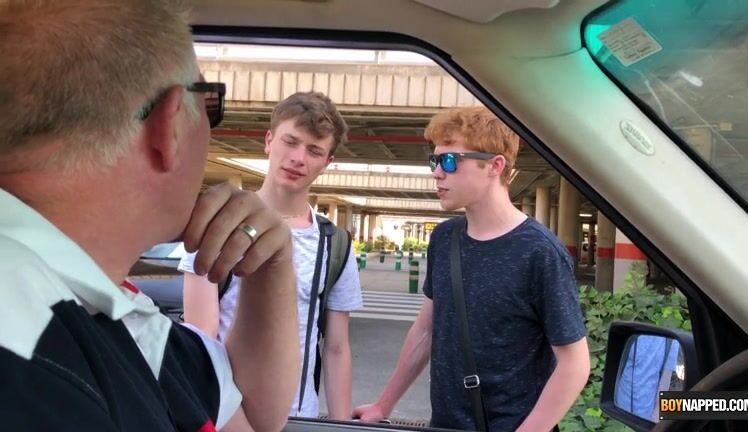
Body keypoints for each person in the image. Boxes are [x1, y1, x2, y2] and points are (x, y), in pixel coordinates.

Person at [0, 1, 300, 431]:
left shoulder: (103, 305)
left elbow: (253, 417)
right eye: (209, 107)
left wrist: (272, 265)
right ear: (170, 124)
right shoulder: (32, 351)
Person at [353, 107, 591, 431]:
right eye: (435, 161)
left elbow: (574, 364)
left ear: (495, 165)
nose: (438, 173)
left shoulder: (540, 252)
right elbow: (425, 330)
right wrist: (383, 405)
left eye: (450, 161)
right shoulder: (445, 238)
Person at [179, 91, 363, 419]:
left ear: (327, 162)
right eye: (290, 142)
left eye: (314, 150)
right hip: (227, 415)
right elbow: (201, 339)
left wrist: (341, 424)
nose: (298, 158)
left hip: (301, 418)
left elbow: (336, 348)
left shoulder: (335, 245)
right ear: (268, 140)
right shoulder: (219, 224)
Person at [615, 335, 680, 422]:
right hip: (618, 407)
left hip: (646, 413)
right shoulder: (632, 332)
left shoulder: (671, 340)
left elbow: (664, 382)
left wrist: (655, 417)